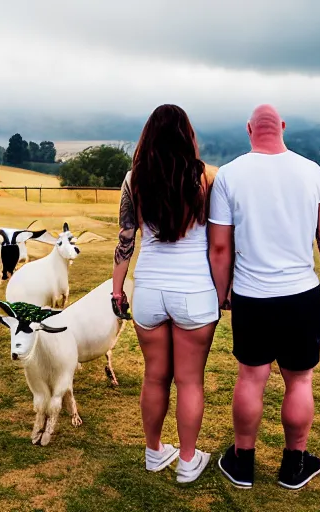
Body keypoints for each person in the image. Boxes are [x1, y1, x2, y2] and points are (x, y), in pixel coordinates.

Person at [208, 104, 320, 490]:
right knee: (300, 381)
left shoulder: (229, 175)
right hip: (301, 297)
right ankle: (294, 466)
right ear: (282, 127)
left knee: (251, 379)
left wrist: (222, 296)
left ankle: (243, 464)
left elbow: (219, 249)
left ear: (249, 129)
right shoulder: (312, 171)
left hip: (251, 297)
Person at [112, 104, 218, 483]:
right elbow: (219, 241)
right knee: (190, 380)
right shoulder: (206, 176)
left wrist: (116, 288)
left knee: (155, 376)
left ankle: (155, 452)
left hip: (149, 291)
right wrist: (225, 292)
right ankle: (188, 461)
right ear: (187, 134)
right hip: (194, 291)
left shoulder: (132, 179)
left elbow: (126, 238)